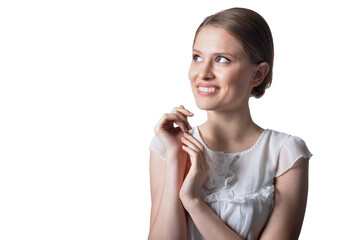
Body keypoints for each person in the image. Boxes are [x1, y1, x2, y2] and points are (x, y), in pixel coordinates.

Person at [147, 7, 312, 240]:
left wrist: (194, 202)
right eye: (197, 57)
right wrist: (176, 158)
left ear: (258, 74)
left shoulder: (285, 154)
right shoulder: (167, 145)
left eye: (222, 60)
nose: (203, 73)